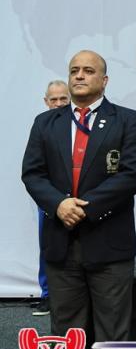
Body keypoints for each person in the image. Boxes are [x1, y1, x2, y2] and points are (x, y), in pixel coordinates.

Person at [21, 51, 136, 349]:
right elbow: (33, 174)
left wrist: (83, 208)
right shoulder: (45, 123)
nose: (79, 75)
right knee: (66, 327)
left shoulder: (130, 121)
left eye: (88, 70)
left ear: (104, 81)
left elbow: (132, 174)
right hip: (60, 240)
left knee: (113, 326)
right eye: (74, 70)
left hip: (109, 240)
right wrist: (59, 205)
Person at [30, 81, 71, 317]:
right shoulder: (41, 126)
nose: (58, 104)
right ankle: (47, 295)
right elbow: (35, 168)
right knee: (48, 247)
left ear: (70, 99)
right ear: (46, 102)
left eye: (63, 99)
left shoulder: (82, 125)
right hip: (49, 199)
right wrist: (51, 199)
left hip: (79, 199)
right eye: (53, 99)